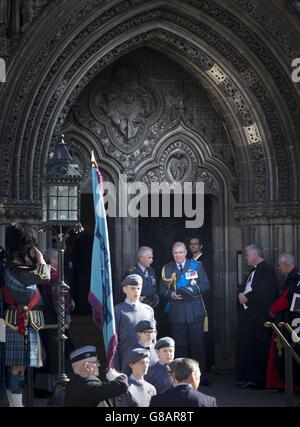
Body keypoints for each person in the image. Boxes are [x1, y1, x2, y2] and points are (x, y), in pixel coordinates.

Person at [1, 224, 51, 406]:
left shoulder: (16, 268)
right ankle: (15, 402)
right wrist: (39, 256)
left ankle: (16, 400)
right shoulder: (15, 270)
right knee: (17, 367)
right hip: (16, 322)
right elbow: (45, 275)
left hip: (23, 322)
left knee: (20, 368)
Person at [160, 242, 211, 385]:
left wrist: (191, 291)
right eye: (175, 253)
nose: (178, 255)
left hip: (195, 311)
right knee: (180, 346)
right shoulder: (167, 268)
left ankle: (201, 377)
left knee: (198, 345)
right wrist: (172, 295)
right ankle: (181, 378)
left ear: (185, 252)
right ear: (172, 253)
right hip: (177, 312)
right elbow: (162, 289)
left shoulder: (196, 266)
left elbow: (206, 284)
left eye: (181, 252)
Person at [235, 244, 279, 389]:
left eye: (247, 255)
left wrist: (246, 297)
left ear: (255, 255)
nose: (246, 258)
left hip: (259, 319)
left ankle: (260, 380)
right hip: (250, 318)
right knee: (249, 347)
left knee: (260, 349)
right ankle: (251, 378)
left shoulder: (266, 270)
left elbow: (265, 293)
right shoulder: (255, 271)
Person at [34, 248, 74, 396]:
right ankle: (55, 389)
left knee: (46, 354)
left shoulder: (41, 275)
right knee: (56, 354)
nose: (61, 261)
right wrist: (65, 318)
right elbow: (59, 301)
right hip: (55, 321)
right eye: (58, 258)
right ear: (52, 260)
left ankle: (43, 388)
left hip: (42, 319)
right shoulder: (55, 276)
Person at [266, 253, 300, 392]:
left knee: (290, 353)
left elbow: (287, 300)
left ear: (287, 264)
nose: (279, 269)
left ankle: (292, 385)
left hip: (292, 323)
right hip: (291, 321)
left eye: (280, 265)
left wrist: (272, 309)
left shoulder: (295, 279)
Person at [114, 274, 156, 370]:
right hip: (127, 360)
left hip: (146, 360)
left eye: (138, 288)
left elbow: (153, 338)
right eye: (132, 288)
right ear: (125, 289)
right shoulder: (118, 310)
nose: (136, 291)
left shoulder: (148, 310)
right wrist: (115, 365)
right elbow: (114, 341)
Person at [64, 345, 128, 407]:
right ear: (87, 366)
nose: (99, 365)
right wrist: (118, 376)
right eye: (96, 362)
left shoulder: (74, 385)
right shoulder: (88, 387)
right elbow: (123, 385)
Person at [188, 236, 214, 372]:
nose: (193, 246)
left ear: (201, 246)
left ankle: (206, 367)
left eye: (196, 244)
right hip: (189, 304)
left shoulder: (205, 262)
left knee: (204, 335)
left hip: (203, 302)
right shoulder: (188, 262)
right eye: (191, 244)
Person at [150, 358, 217, 407]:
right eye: (199, 376)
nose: (199, 381)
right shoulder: (208, 402)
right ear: (192, 376)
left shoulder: (157, 400)